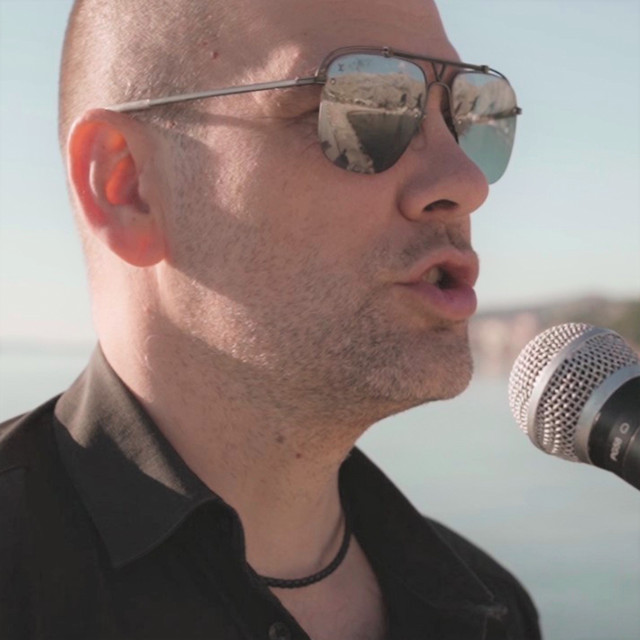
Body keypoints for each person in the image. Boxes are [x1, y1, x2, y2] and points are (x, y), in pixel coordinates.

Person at [0, 0, 540, 638]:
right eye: (364, 106)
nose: (467, 182)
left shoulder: (491, 608)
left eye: (468, 113)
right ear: (127, 186)